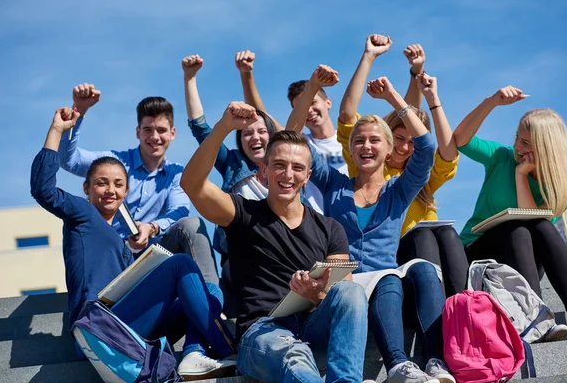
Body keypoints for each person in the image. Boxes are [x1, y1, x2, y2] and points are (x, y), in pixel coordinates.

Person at [31, 107, 236, 380]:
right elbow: (43, 189)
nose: (110, 190)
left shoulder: (121, 244)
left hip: (132, 327)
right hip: (99, 327)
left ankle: (193, 353)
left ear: (126, 192)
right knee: (181, 265)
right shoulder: (82, 215)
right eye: (101, 183)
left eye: (118, 184)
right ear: (86, 189)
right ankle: (229, 348)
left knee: (207, 289)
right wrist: (57, 130)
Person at [289, 62, 454, 383]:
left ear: (389, 148)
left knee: (417, 269)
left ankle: (431, 361)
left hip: (386, 290)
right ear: (350, 147)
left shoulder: (399, 189)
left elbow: (427, 148)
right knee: (389, 278)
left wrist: (393, 96)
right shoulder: (333, 184)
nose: (366, 146)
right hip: (344, 285)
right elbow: (294, 138)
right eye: (359, 141)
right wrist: (311, 87)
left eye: (375, 140)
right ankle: (398, 363)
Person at [181, 101, 369, 383]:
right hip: (263, 334)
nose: (287, 175)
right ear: (263, 169)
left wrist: (314, 295)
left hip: (313, 329)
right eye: (279, 165)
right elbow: (192, 184)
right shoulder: (242, 214)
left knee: (351, 293)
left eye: (297, 168)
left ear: (308, 176)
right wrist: (222, 127)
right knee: (291, 355)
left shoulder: (330, 228)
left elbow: (343, 292)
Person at [337, 34, 467, 297]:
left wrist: (433, 100)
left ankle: (463, 307)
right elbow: (348, 116)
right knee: (422, 238)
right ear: (385, 138)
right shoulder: (370, 166)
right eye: (398, 139)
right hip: (392, 258)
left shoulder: (420, 175)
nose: (404, 147)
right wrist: (369, 57)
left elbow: (447, 152)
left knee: (448, 235)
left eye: (411, 143)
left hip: (432, 249)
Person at [453, 85, 567, 339]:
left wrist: (521, 175)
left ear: (546, 149)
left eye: (526, 144)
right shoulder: (501, 157)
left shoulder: (556, 185)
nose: (517, 147)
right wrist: (492, 101)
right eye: (518, 138)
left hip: (520, 258)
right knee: (517, 227)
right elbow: (460, 141)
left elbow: (532, 220)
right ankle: (536, 316)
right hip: (476, 255)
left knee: (538, 225)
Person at [57, 85, 218, 286]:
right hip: (113, 253)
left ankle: (212, 299)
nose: (155, 137)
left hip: (157, 255)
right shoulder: (113, 163)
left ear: (173, 133)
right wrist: (78, 112)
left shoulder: (177, 174)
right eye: (148, 130)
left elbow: (180, 211)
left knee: (192, 224)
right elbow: (67, 160)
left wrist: (152, 228)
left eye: (161, 130)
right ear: (137, 132)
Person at [182, 52, 283, 316]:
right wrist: (190, 78)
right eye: (247, 133)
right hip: (239, 257)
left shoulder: (288, 170)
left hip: (280, 254)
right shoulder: (234, 164)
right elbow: (201, 129)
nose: (255, 137)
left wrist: (247, 74)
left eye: (262, 131)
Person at [287, 61, 349, 215]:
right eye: (302, 106)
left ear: (328, 103)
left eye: (313, 102)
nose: (309, 110)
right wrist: (313, 85)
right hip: (316, 223)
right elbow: (290, 134)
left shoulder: (351, 139)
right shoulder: (303, 144)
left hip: (350, 216)